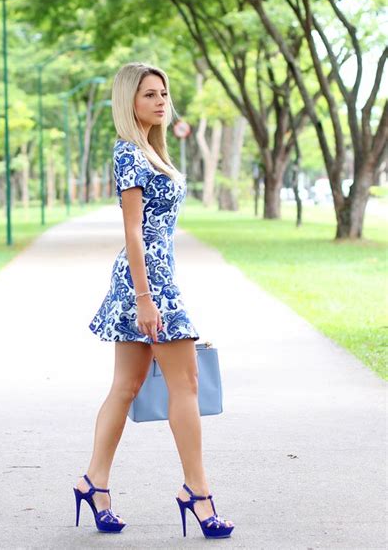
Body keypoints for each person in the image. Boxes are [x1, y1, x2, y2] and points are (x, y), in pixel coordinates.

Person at [74, 62, 235, 539]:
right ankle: (198, 493)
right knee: (184, 383)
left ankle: (93, 483)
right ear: (130, 102)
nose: (161, 100)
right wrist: (146, 297)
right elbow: (133, 232)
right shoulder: (129, 154)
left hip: (153, 278)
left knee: (126, 385)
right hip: (148, 283)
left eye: (164, 92)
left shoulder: (150, 150)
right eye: (149, 94)